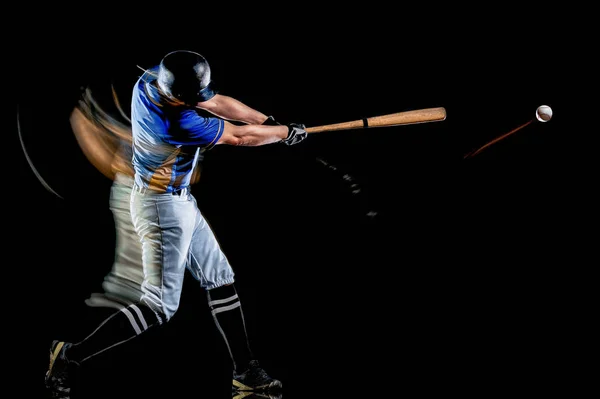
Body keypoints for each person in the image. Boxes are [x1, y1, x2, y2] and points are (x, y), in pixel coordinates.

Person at [45, 49, 307, 398]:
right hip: (160, 207)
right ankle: (70, 354)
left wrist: (269, 122)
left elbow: (218, 102)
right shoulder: (178, 123)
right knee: (159, 307)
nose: (199, 101)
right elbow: (238, 137)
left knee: (220, 279)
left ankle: (245, 373)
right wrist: (283, 132)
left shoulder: (153, 77)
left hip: (179, 200)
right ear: (178, 95)